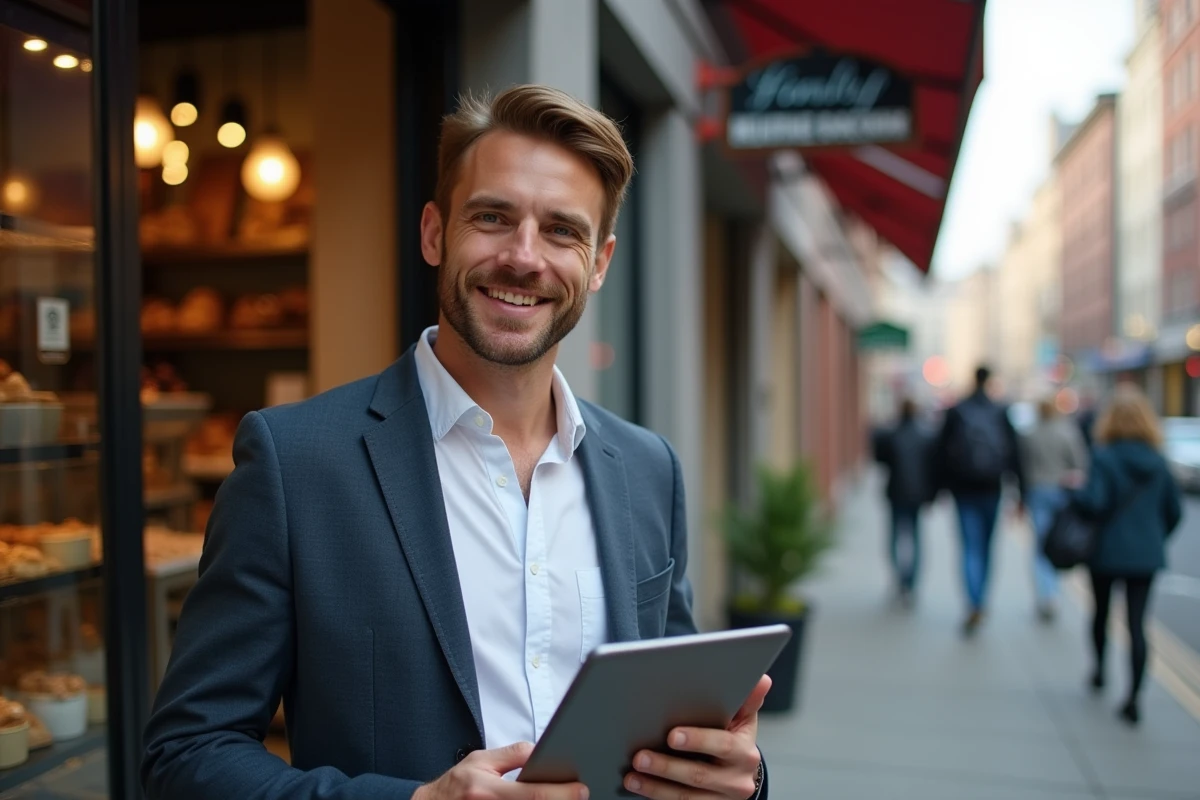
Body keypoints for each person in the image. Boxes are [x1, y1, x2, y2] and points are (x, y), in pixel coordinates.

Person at [142, 85, 769, 800]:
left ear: (599, 263)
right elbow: (186, 754)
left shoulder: (649, 470)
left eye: (563, 231)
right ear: (435, 232)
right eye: (493, 217)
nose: (524, 257)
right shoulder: (295, 463)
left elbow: (682, 728)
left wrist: (735, 776)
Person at [1070, 384, 1182, 726]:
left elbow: (1094, 503)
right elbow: (1174, 512)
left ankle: (1099, 671)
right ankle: (1134, 696)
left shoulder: (1104, 457)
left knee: (1100, 613)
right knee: (1137, 624)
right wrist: (1152, 537)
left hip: (1106, 550)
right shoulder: (1159, 462)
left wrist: (1075, 491)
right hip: (1145, 554)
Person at [934, 365, 1026, 636]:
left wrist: (938, 488)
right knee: (986, 547)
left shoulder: (957, 410)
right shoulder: (1000, 410)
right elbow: (1015, 452)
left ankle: (973, 601)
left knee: (969, 547)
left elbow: (940, 451)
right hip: (992, 488)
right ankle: (981, 599)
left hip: (963, 489)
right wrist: (1020, 491)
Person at [1019, 397, 1089, 622]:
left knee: (1041, 545)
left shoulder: (1029, 434)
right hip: (1060, 492)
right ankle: (1053, 593)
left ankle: (1046, 593)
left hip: (1037, 491)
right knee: (1057, 541)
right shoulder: (1067, 432)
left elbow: (1021, 467)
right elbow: (1080, 464)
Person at [873, 398, 936, 605]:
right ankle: (910, 582)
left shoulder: (891, 434)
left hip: (896, 493)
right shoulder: (925, 435)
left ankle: (900, 577)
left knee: (895, 537)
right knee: (915, 537)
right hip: (916, 494)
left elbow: (879, 458)